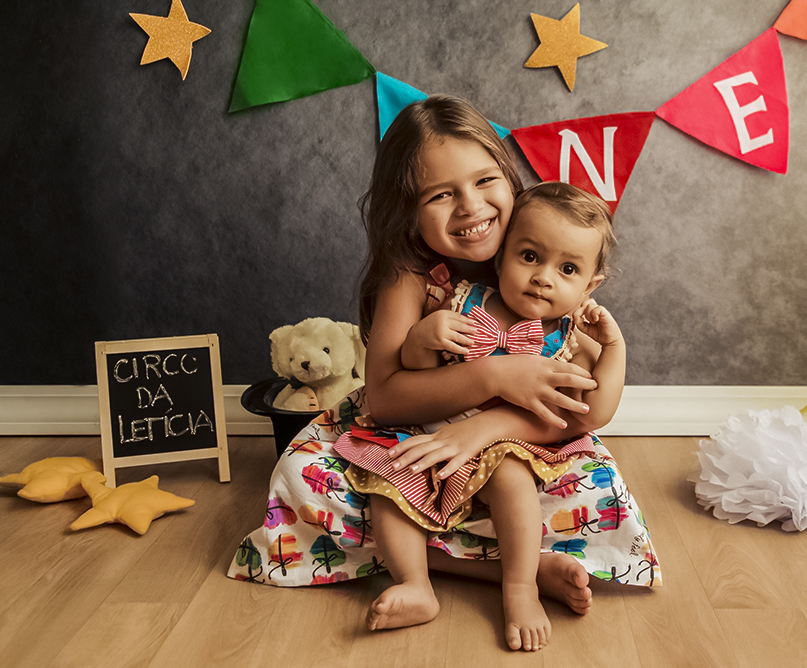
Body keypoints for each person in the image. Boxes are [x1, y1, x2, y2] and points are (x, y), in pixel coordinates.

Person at [227, 95, 660, 652]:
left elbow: (574, 416)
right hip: (414, 427)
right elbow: (383, 399)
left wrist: (484, 429)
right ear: (406, 209)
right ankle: (457, 576)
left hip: (518, 444)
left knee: (581, 490)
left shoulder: (552, 258)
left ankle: (519, 578)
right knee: (324, 476)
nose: (471, 207)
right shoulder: (413, 274)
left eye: (484, 181)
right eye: (440, 194)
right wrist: (492, 375)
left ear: (509, 178)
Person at [335, 182, 625, 650]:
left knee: (510, 480)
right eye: (529, 256)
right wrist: (422, 339)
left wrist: (614, 347)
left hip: (507, 442)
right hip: (434, 424)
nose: (543, 277)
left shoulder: (571, 337)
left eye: (567, 269)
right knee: (388, 482)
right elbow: (414, 375)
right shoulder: (461, 301)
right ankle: (415, 584)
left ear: (589, 285)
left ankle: (520, 588)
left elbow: (595, 410)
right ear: (502, 252)